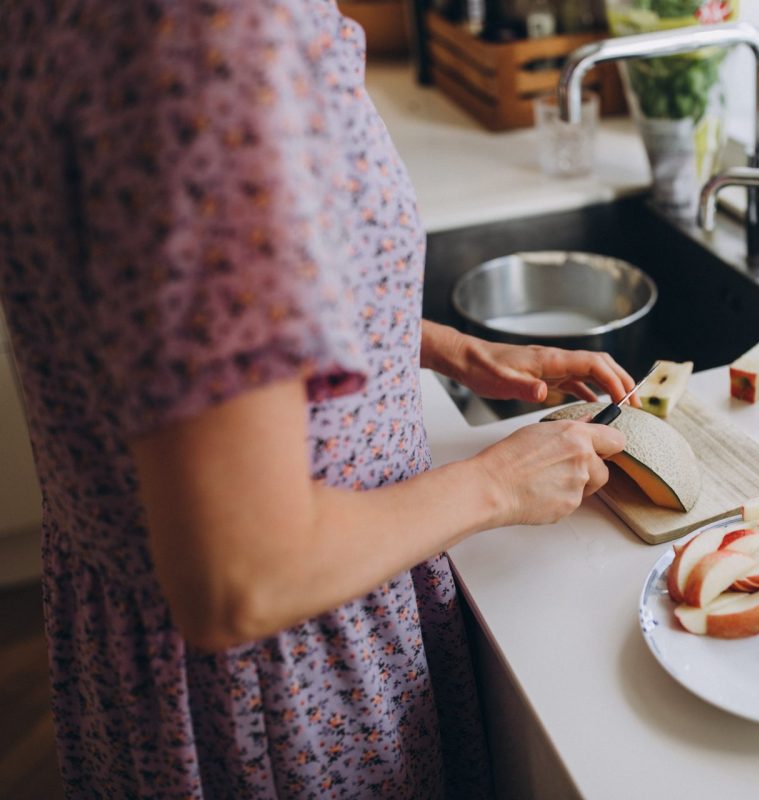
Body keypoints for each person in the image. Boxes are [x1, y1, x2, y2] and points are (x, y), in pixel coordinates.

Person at [0, 1, 633, 797]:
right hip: (280, 691)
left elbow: (167, 306)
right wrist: (499, 483)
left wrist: (444, 345)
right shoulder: (208, 36)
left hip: (145, 658)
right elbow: (243, 576)